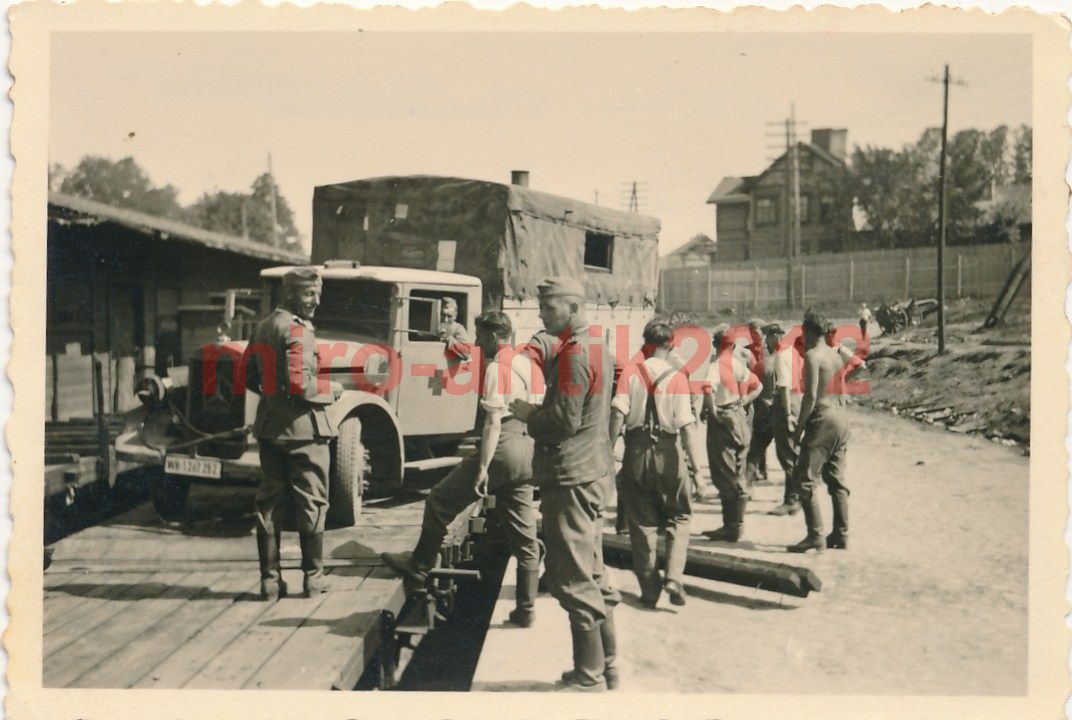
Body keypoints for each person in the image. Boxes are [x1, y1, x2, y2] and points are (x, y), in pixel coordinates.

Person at [382, 311, 545, 625]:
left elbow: (493, 422)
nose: (477, 343)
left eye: (480, 336)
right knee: (525, 537)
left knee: (439, 500)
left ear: (493, 337)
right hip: (528, 450)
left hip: (504, 445)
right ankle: (526, 609)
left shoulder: (497, 367)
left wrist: (483, 468)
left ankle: (419, 567)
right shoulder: (529, 365)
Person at [510, 277, 621, 692]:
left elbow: (562, 422)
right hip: (591, 471)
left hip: (569, 476)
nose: (542, 315)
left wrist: (527, 413)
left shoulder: (575, 354)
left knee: (572, 578)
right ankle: (607, 667)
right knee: (593, 573)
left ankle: (589, 677)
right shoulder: (597, 345)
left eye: (549, 308)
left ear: (574, 309)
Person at [244, 266, 340, 600]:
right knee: (312, 503)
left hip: (271, 430)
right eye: (309, 293)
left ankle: (270, 582)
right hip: (305, 434)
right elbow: (301, 384)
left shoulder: (262, 327)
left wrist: (274, 397)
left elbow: (249, 377)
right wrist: (333, 389)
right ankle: (313, 579)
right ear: (289, 294)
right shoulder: (298, 330)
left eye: (318, 294)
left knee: (269, 505)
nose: (316, 301)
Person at [609, 320, 705, 608]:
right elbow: (686, 427)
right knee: (680, 516)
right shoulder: (677, 378)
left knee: (642, 524)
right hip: (668, 453)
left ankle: (650, 590)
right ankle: (674, 576)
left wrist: (607, 450)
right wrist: (698, 471)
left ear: (646, 344)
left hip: (636, 453)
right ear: (670, 346)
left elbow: (617, 414)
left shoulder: (630, 372)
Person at [787, 309, 852, 553]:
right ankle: (841, 534)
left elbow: (810, 396)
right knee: (836, 479)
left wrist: (799, 429)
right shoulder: (835, 356)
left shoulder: (812, 356)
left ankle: (815, 536)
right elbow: (843, 393)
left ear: (807, 331)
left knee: (803, 480)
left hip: (823, 416)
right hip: (841, 417)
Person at [702, 323, 763, 543]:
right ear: (734, 345)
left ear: (715, 344)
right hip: (738, 417)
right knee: (738, 468)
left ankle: (732, 527)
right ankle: (736, 524)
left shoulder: (716, 366)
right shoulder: (736, 364)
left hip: (723, 419)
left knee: (723, 472)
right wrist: (744, 401)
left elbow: (707, 389)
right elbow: (758, 386)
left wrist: (711, 411)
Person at [766, 322, 804, 516]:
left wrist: (787, 413)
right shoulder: (795, 352)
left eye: (767, 337)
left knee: (787, 454)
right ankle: (797, 496)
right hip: (798, 400)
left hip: (785, 403)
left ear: (775, 336)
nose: (765, 341)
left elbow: (784, 386)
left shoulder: (781, 355)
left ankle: (792, 500)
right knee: (794, 450)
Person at [744, 322, 777, 485]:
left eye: (755, 332)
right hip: (755, 394)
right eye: (751, 332)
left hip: (768, 392)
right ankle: (757, 468)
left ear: (763, 334)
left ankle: (762, 469)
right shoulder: (746, 350)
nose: (753, 335)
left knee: (762, 433)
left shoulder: (768, 350)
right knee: (756, 432)